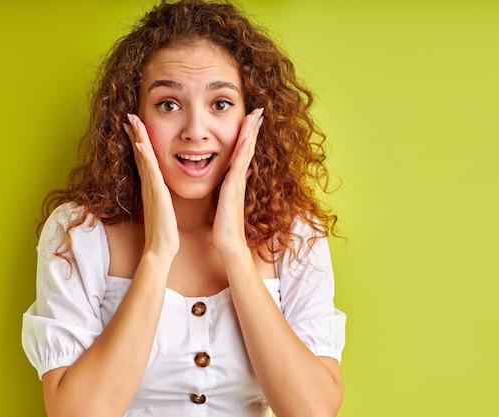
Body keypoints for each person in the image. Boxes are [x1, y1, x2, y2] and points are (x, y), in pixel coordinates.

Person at [22, 1, 346, 416]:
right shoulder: (78, 234)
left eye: (221, 104)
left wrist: (234, 250)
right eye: (168, 104)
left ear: (252, 119)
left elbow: (312, 411)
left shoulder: (295, 236)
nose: (195, 130)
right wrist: (157, 253)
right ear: (132, 117)